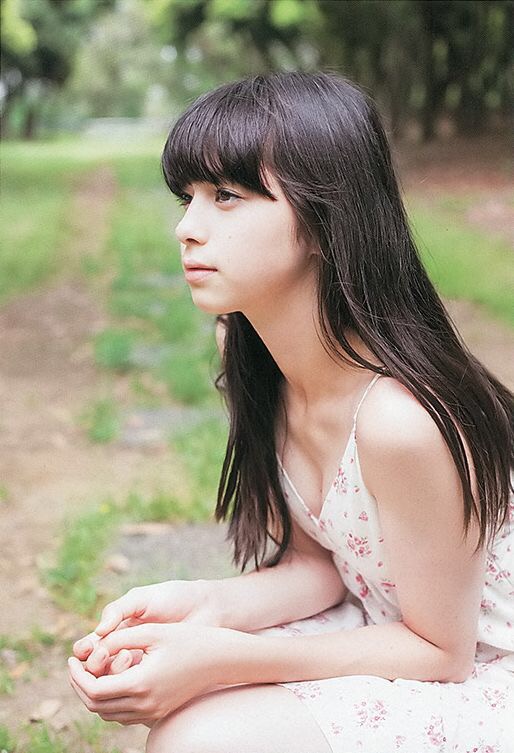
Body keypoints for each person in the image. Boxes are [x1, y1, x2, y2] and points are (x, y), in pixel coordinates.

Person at [68, 72, 514, 753]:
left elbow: (442, 652)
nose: (187, 229)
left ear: (322, 220)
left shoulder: (400, 422)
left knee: (199, 735)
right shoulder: (264, 364)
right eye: (188, 198)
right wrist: (203, 606)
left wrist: (225, 657)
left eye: (227, 196)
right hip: (386, 623)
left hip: (480, 667)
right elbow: (321, 564)